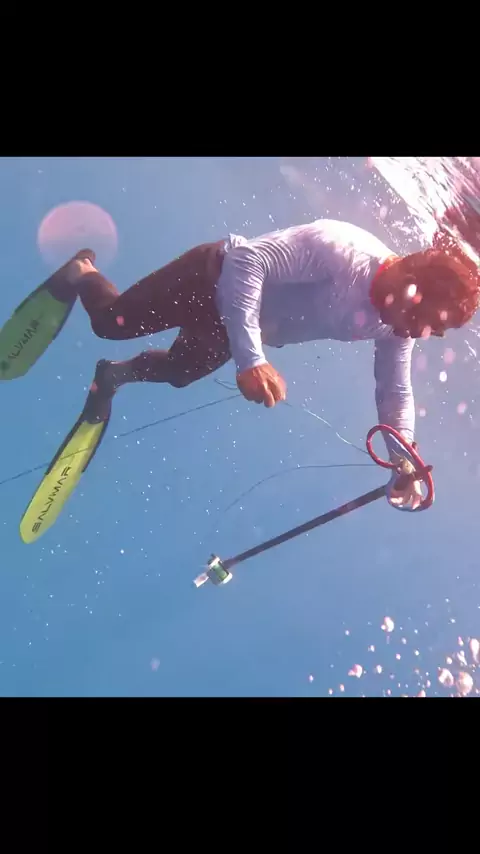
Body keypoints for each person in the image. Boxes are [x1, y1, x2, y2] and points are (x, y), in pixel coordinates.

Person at [6, 218, 480, 510]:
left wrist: (404, 457)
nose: (421, 333)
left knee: (178, 374)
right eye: (426, 320)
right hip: (208, 277)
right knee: (111, 323)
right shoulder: (342, 250)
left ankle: (113, 375)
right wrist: (252, 359)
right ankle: (83, 270)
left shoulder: (394, 324)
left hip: (227, 330)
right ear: (412, 278)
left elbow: (395, 388)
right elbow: (248, 263)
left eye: (432, 331)